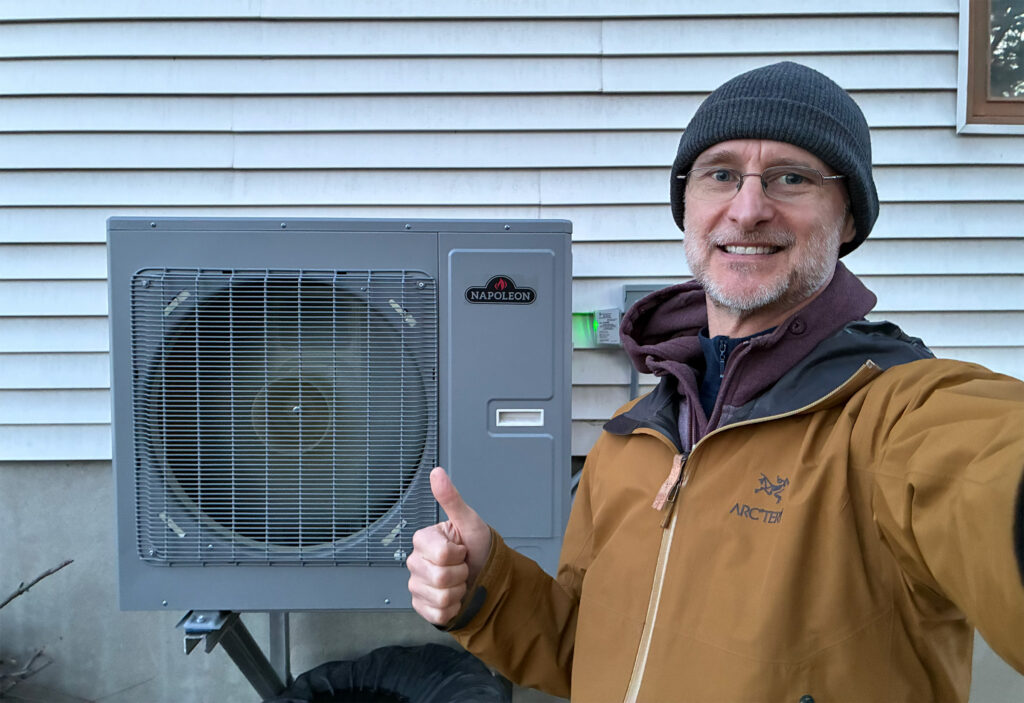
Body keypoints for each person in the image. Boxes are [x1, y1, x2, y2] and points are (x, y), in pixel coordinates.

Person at [406, 62, 1024, 702]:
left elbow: (988, 472)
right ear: (687, 208)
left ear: (847, 221)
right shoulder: (629, 443)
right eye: (721, 174)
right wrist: (489, 588)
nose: (749, 208)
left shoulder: (895, 418)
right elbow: (592, 656)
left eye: (792, 177)